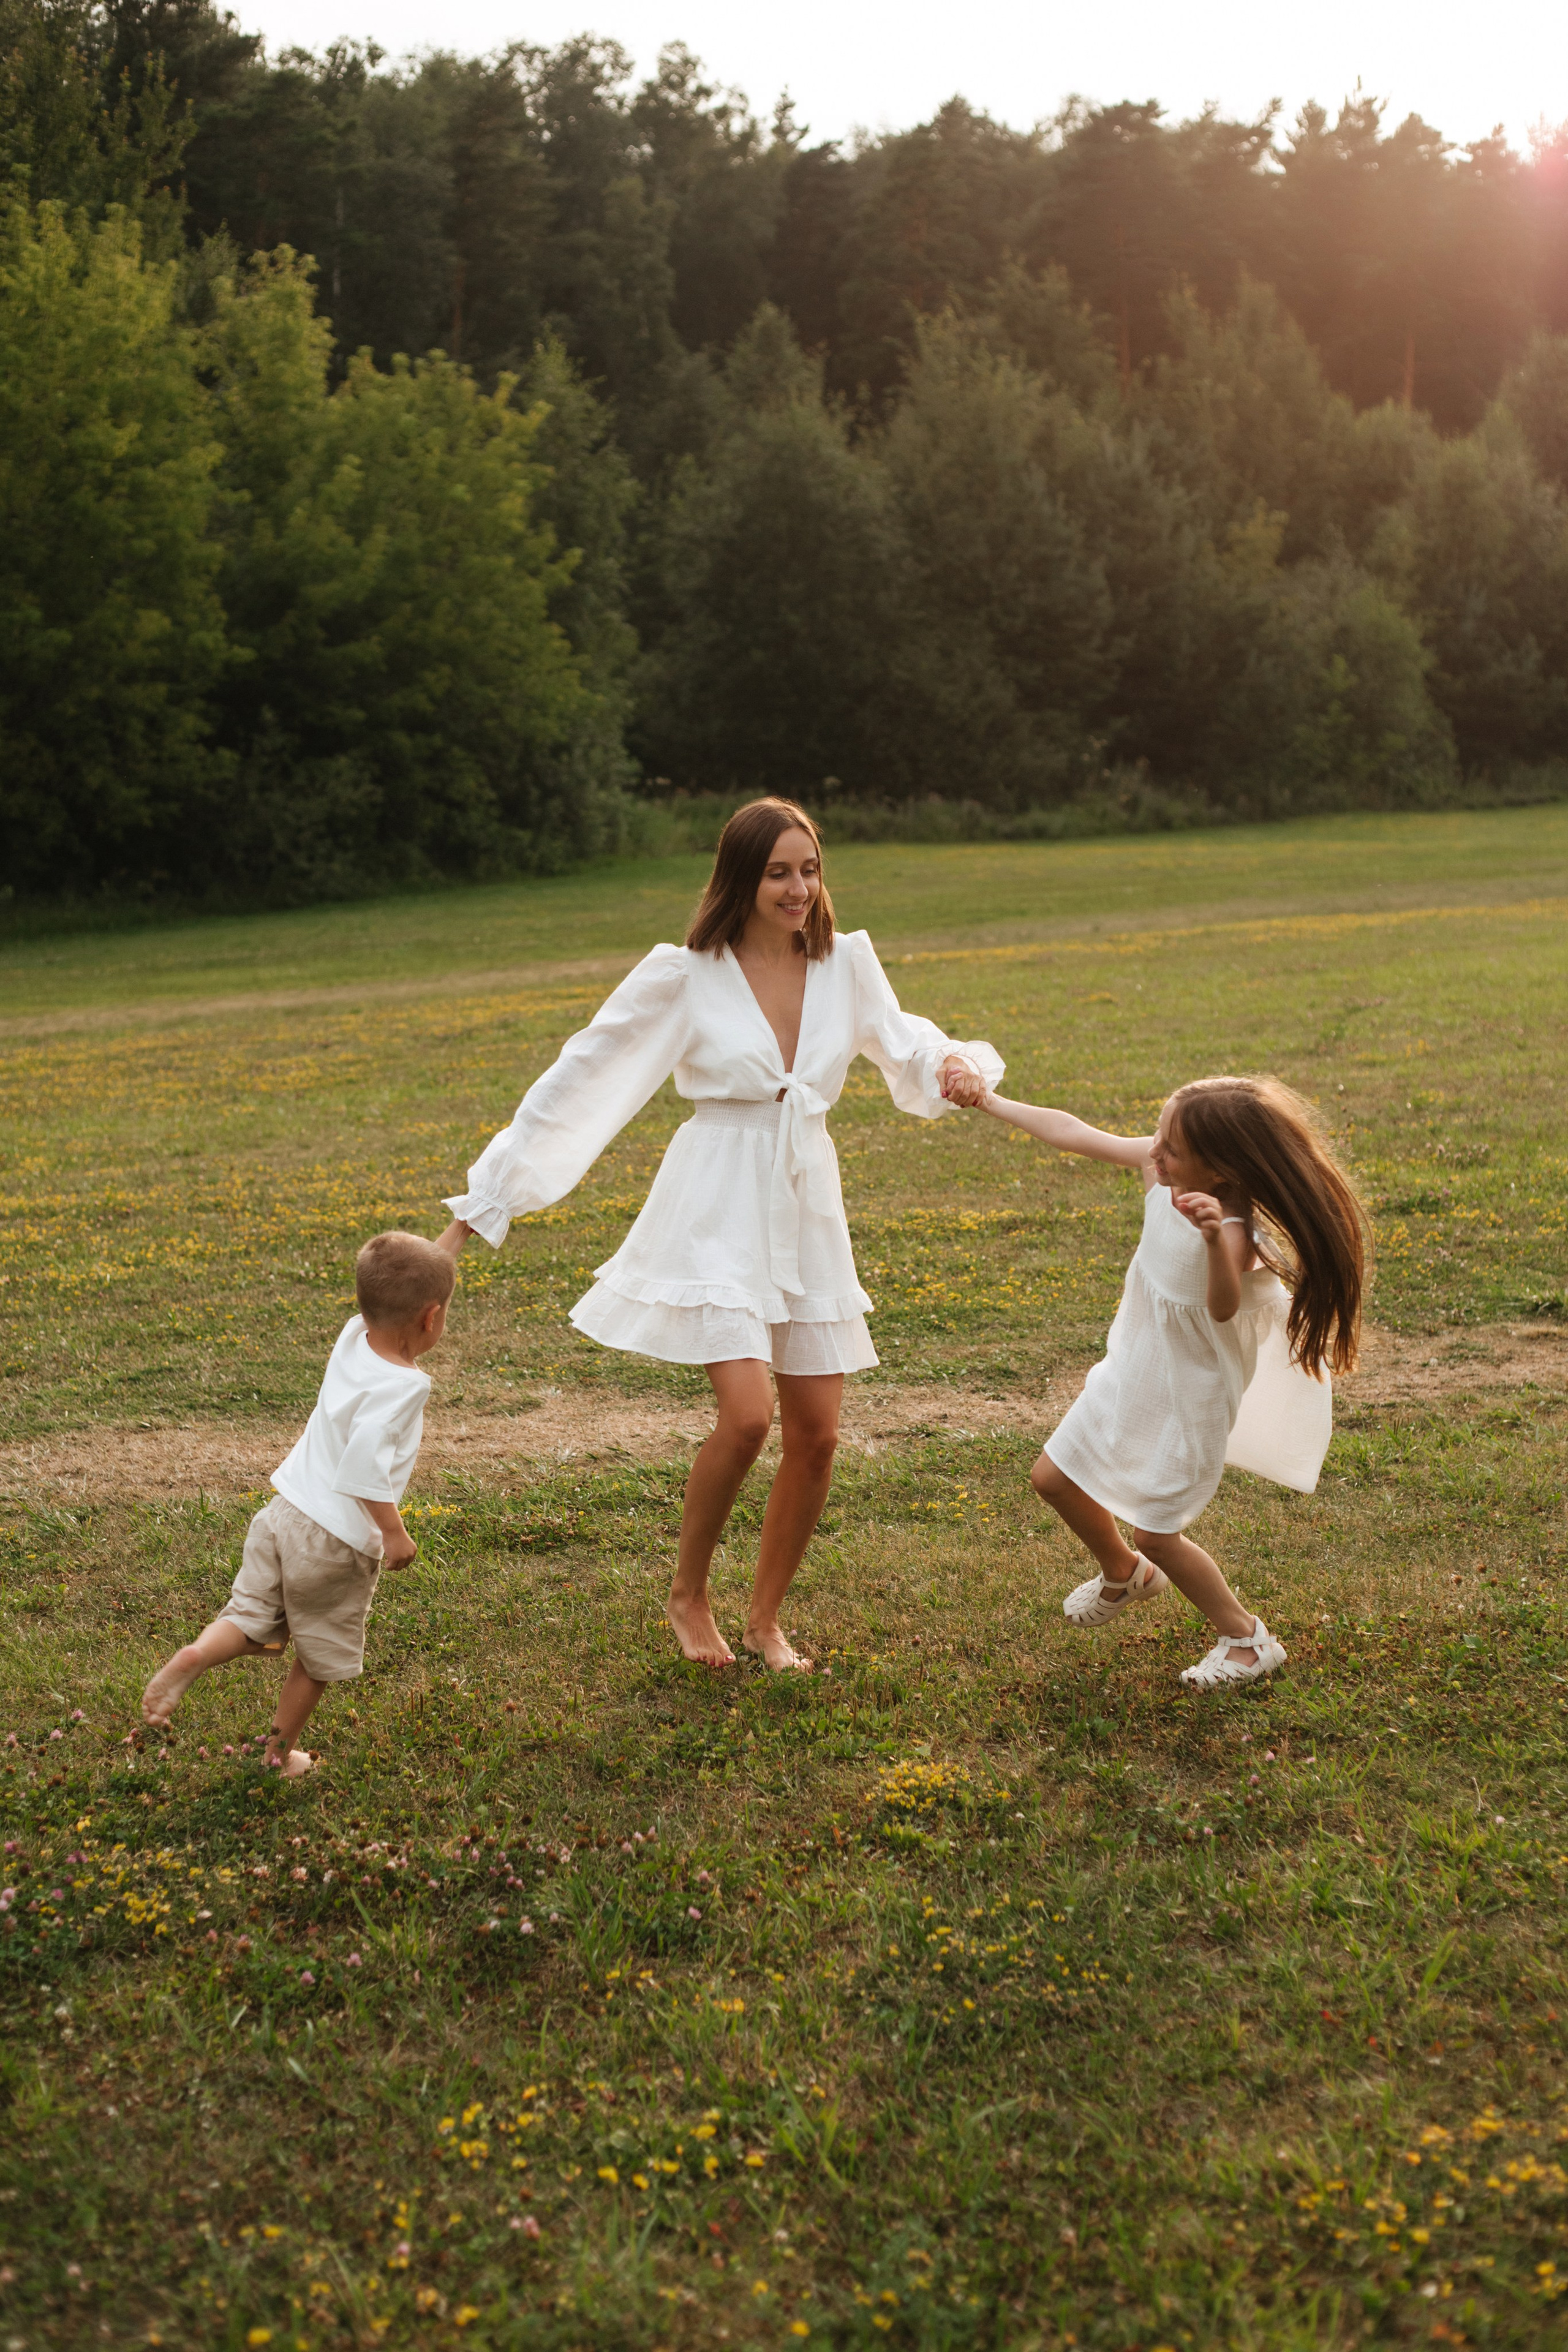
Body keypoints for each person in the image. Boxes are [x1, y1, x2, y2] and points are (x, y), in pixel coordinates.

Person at [438, 797, 1001, 1673]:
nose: (799, 888)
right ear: (740, 877)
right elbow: (581, 1079)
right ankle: (688, 1594)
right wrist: (476, 1213)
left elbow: (906, 1044)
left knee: (816, 1435)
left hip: (806, 1198)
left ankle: (765, 1619)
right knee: (747, 1417)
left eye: (809, 870)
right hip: (715, 1201)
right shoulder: (686, 974)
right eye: (779, 871)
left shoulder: (845, 964)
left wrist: (952, 1066)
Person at [943, 1068, 1365, 1686]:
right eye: (1158, 1140)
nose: (1154, 1153)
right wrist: (990, 1101)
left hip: (1189, 1397)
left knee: (1158, 1531)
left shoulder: (1235, 1233)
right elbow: (1073, 1132)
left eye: (1170, 1148)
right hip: (1133, 1371)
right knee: (1053, 1478)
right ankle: (1125, 1572)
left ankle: (1247, 1639)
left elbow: (1221, 1306)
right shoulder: (1161, 1170)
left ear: (1219, 1171)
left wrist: (1212, 1239)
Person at [140, 1232, 453, 1771]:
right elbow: (361, 1468)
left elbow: (418, 1280)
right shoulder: (406, 1387)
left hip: (282, 1516)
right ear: (432, 1319)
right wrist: (394, 1532)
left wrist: (460, 1233)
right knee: (318, 1659)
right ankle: (277, 1757)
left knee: (250, 1616)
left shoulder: (354, 1335)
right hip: (335, 1541)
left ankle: (195, 1656)